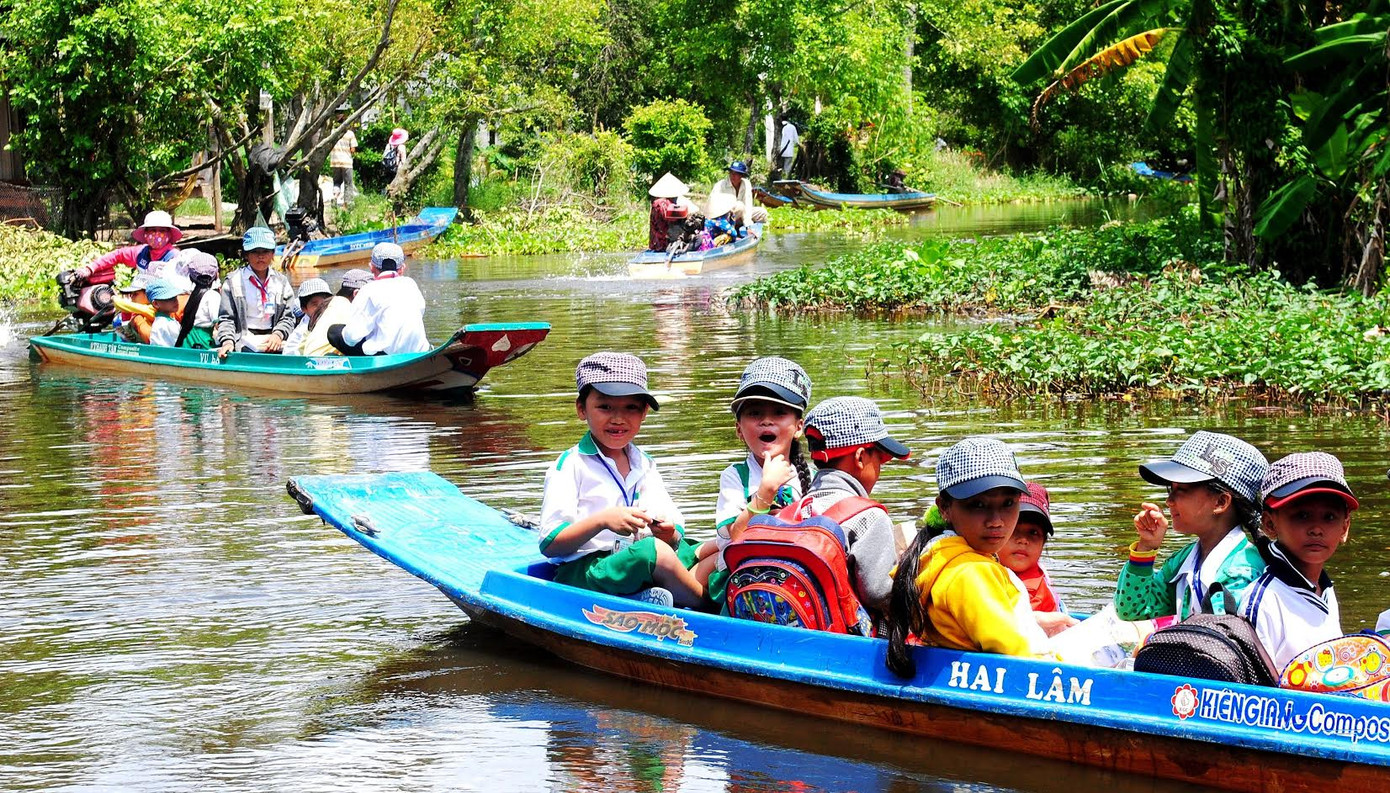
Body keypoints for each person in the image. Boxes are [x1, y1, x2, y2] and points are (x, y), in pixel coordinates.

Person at [539, 352, 705, 608]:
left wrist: (669, 532)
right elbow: (550, 544)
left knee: (707, 548)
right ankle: (709, 609)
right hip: (587, 571)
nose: (618, 419)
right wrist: (603, 521)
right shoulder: (571, 465)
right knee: (653, 552)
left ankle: (652, 595)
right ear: (582, 409)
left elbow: (673, 528)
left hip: (631, 557)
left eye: (631, 408)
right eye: (605, 407)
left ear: (644, 412)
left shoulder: (644, 463)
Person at [886, 438, 1056, 676]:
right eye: (978, 505)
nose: (996, 521)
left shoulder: (938, 554)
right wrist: (1063, 661)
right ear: (944, 508)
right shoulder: (971, 572)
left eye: (1008, 503)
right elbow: (1014, 653)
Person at [694, 356, 815, 608]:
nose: (766, 421)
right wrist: (766, 492)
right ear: (739, 429)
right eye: (754, 413)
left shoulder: (808, 477)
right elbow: (737, 535)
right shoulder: (735, 476)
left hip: (794, 575)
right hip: (741, 574)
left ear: (798, 427)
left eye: (779, 412)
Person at [1114, 431, 1269, 621]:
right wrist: (1146, 546)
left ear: (1220, 502)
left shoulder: (1241, 571)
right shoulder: (1185, 560)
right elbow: (1132, 609)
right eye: (1171, 489)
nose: (1169, 501)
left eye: (1181, 490)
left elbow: (1219, 634)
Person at [1239, 452, 1357, 669]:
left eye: (1329, 517)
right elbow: (1253, 685)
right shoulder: (1264, 602)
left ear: (1344, 527)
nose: (1316, 529)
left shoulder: (1324, 589)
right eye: (1302, 515)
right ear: (1269, 524)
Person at [799, 396, 909, 621]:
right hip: (846, 637)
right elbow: (880, 593)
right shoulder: (869, 516)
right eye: (880, 458)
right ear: (860, 457)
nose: (880, 468)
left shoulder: (795, 508)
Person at [327, 243, 429, 356]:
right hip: (420, 351)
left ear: (371, 267)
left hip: (387, 356)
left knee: (334, 332)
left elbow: (352, 337)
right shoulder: (411, 284)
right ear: (402, 268)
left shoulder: (368, 289)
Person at [214, 227, 298, 358]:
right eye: (255, 252)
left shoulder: (281, 282)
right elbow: (227, 319)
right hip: (242, 340)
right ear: (246, 254)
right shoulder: (233, 282)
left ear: (273, 253)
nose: (260, 256)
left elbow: (288, 317)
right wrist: (228, 341)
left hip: (274, 341)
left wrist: (278, 335)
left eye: (265, 251)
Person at [998, 482, 1066, 613]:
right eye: (1014, 529)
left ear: (1043, 542)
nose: (1023, 540)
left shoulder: (1034, 594)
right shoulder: (978, 570)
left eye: (1033, 532)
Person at [71, 210, 182, 285]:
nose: (157, 234)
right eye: (153, 230)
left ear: (169, 234)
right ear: (145, 233)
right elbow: (117, 255)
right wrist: (90, 269)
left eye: (162, 231)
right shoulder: (141, 253)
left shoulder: (175, 258)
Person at [300, 269, 371, 357]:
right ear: (356, 294)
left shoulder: (329, 305)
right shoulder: (349, 308)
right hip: (326, 361)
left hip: (309, 359)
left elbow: (302, 346)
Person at [146, 277, 214, 349]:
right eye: (169, 299)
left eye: (175, 297)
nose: (175, 301)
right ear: (156, 304)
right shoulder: (162, 324)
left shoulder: (169, 320)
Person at [282, 278, 335, 356]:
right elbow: (291, 355)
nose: (321, 307)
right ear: (304, 309)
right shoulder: (301, 332)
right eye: (315, 304)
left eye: (325, 302)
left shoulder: (334, 317)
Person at [709, 161, 768, 231]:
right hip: (723, 216)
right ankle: (728, 229)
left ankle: (749, 229)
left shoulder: (746, 184)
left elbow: (748, 205)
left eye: (736, 173)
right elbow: (712, 205)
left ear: (741, 176)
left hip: (740, 214)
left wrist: (748, 225)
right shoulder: (720, 185)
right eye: (731, 172)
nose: (732, 175)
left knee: (762, 213)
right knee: (740, 206)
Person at [647, 172, 693, 252]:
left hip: (660, 241)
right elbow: (670, 219)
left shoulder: (666, 203)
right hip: (662, 243)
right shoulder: (661, 203)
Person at [329, 116, 359, 207]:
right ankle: (347, 204)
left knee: (337, 182)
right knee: (348, 183)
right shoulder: (350, 134)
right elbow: (353, 149)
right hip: (347, 162)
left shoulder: (333, 132)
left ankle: (335, 196)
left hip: (335, 161)